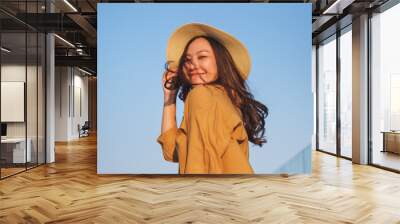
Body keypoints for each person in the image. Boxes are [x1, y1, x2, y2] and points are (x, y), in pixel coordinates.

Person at [157, 23, 268, 174]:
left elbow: (201, 164)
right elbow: (171, 151)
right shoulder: (227, 102)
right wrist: (169, 98)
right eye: (187, 60)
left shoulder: (201, 96)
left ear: (221, 61)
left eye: (202, 57)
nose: (193, 65)